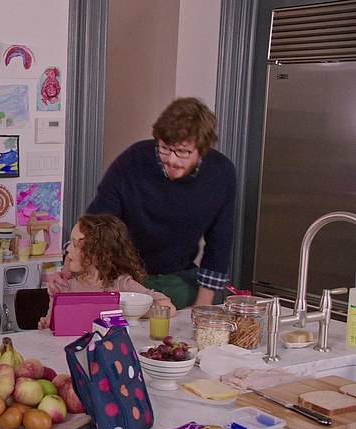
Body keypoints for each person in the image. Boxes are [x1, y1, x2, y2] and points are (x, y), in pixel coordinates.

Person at [51, 97, 236, 309]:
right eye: (164, 148)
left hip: (180, 278)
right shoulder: (132, 161)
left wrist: (202, 307)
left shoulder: (221, 173)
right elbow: (95, 226)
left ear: (202, 149)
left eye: (183, 152)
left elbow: (219, 244)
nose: (172, 160)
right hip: (127, 278)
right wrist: (68, 270)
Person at [38, 214, 175, 330]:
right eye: (70, 243)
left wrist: (125, 311)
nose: (68, 249)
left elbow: (168, 307)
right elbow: (51, 324)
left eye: (76, 245)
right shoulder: (63, 287)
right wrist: (46, 323)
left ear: (99, 255)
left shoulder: (121, 284)